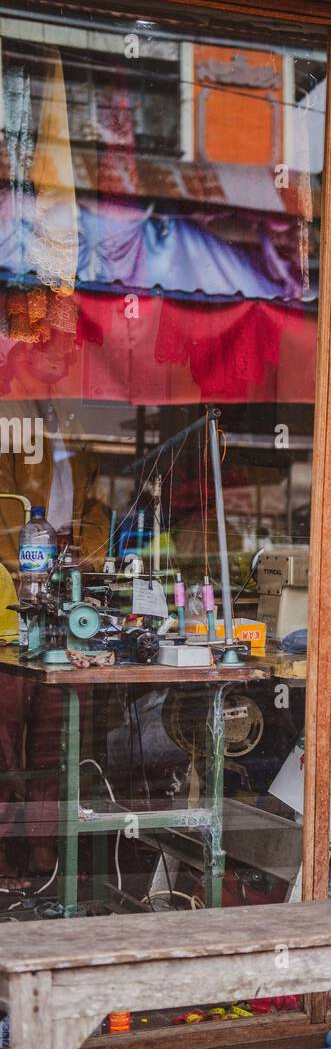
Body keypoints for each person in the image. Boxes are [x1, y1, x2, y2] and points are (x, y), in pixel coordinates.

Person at [0, 333, 110, 883]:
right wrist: (30, 562)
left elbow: (96, 508)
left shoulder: (69, 420)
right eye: (53, 344)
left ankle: (45, 856)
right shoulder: (7, 415)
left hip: (62, 587)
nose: (67, 355)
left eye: (70, 347)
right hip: (12, 596)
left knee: (54, 734)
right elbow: (5, 513)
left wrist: (79, 558)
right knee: (4, 736)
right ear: (23, 349)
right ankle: (6, 857)